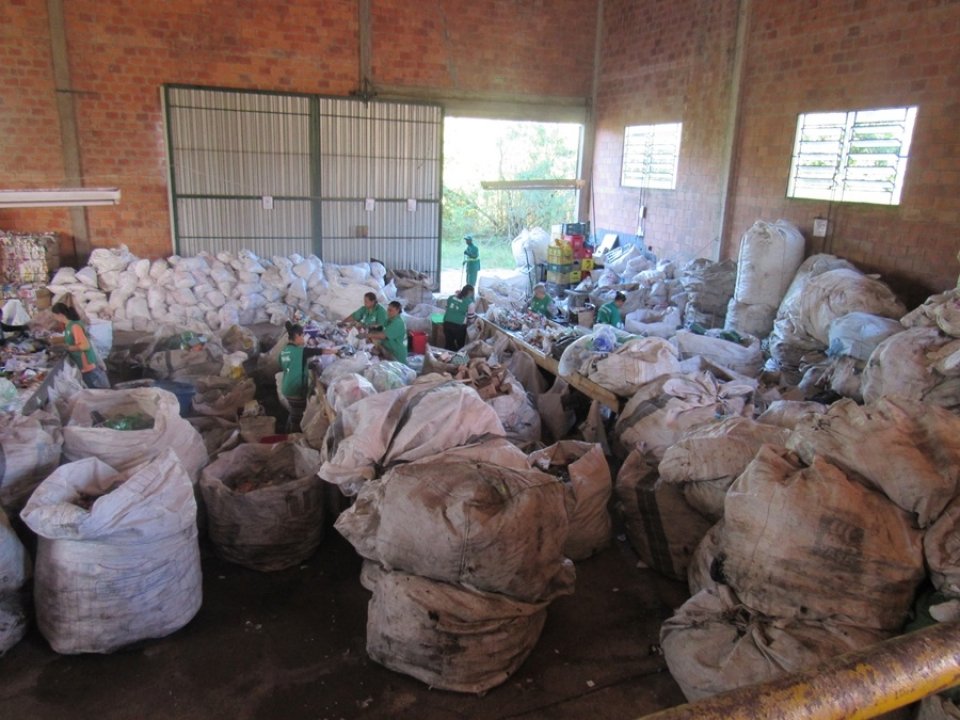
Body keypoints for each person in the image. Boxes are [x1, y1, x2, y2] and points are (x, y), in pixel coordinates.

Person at [278, 322, 325, 433]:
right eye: (303, 335)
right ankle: (292, 437)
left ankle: (287, 430)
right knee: (297, 416)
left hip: (287, 387)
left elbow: (288, 365)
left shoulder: (285, 351)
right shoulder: (299, 351)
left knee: (293, 412)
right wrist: (334, 351)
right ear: (297, 336)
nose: (304, 338)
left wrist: (307, 366)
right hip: (295, 390)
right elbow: (317, 351)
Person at [51, 302, 110, 388]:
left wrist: (67, 347)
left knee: (100, 391)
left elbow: (85, 346)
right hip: (82, 365)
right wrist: (55, 341)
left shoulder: (74, 326)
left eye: (54, 316)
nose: (54, 318)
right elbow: (70, 339)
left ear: (60, 314)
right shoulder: (68, 326)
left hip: (87, 365)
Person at [443, 284, 475, 352]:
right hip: (459, 326)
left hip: (447, 323)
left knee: (449, 344)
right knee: (461, 346)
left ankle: (446, 360)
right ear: (470, 293)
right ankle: (459, 361)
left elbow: (447, 308)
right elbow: (471, 320)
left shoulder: (451, 297)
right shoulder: (470, 303)